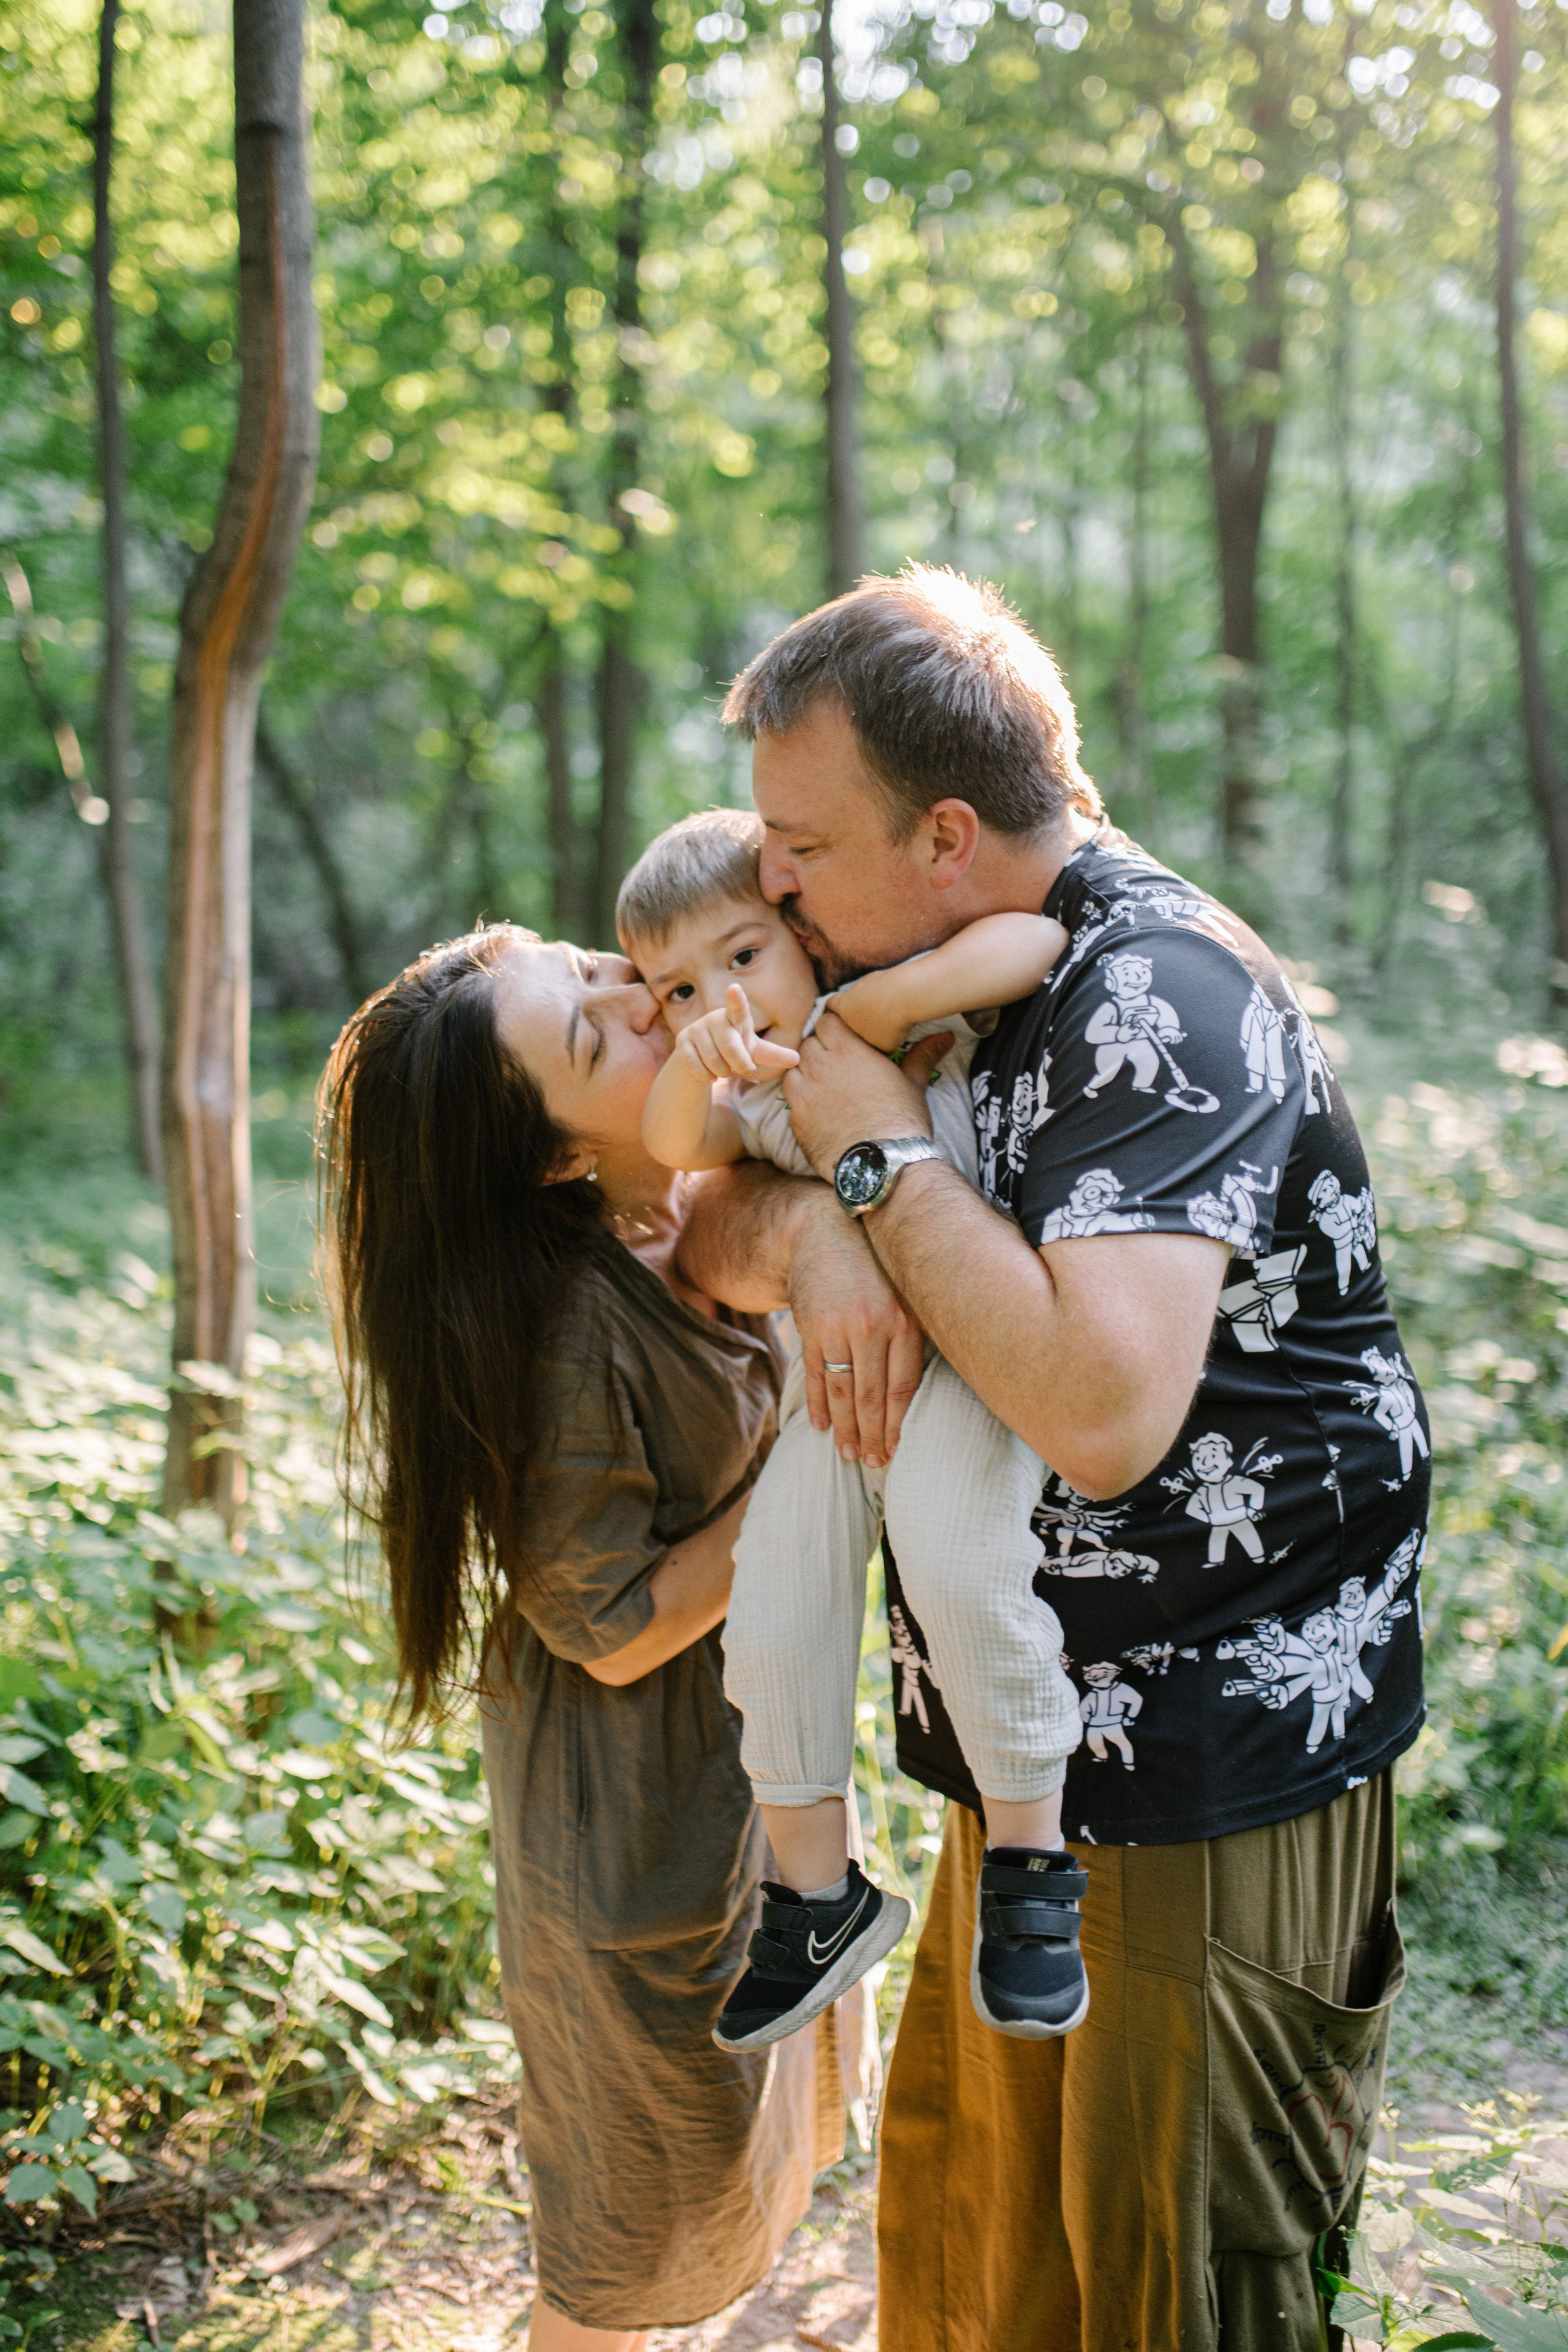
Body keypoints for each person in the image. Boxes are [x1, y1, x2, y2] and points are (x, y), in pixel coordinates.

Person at [677, 563, 1426, 2351]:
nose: (766, 879)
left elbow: (1098, 1417)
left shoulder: (1158, 994)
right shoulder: (902, 968)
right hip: (1026, 1779)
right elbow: (696, 1222)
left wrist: (871, 1164)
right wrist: (828, 1228)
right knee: (982, 2276)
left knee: (1167, 2290)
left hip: (1209, 1764)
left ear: (946, 834)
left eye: (802, 844)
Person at [315, 925, 909, 2351]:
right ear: (555, 1159)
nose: (636, 994)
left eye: (587, 965)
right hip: (636, 1827)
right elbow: (615, 1624)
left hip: (735, 1784)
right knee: (628, 2235)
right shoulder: (577, 1326)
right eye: (591, 1036)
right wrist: (830, 1459)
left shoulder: (682, 1204)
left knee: (725, 2167)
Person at [616, 810, 1087, 2052]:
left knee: (953, 1560)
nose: (717, 998)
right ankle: (816, 1897)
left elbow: (1033, 940)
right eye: (675, 986)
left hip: (975, 1357)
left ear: (802, 935)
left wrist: (869, 1013)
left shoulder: (873, 1013)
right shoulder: (744, 1094)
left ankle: (1032, 1872)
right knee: (770, 1606)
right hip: (847, 1387)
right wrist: (696, 1054)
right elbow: (674, 1143)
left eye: (740, 957)